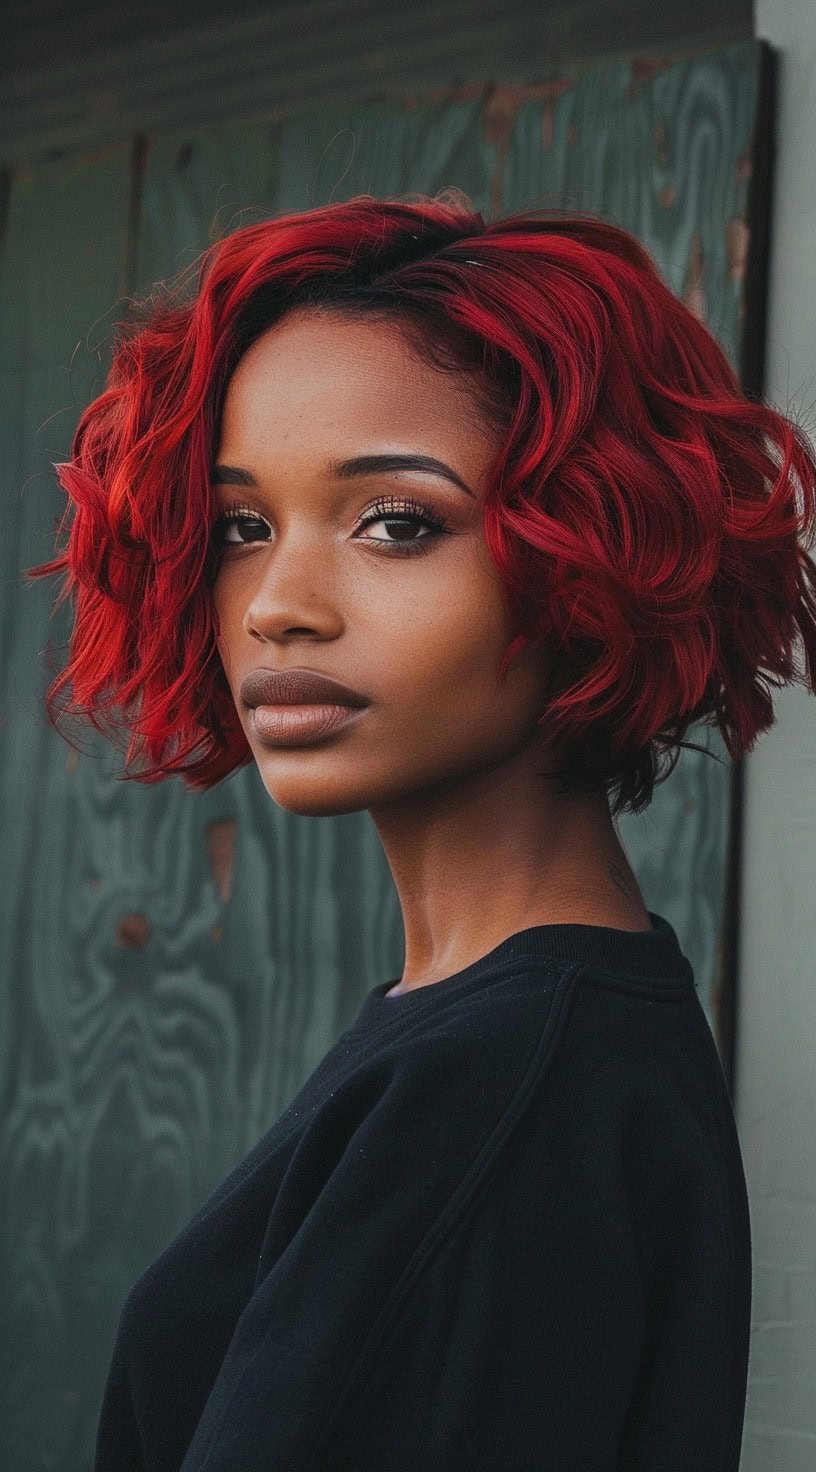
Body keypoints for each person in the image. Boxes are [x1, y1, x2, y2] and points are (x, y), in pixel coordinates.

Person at [28, 190, 816, 1470]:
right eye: (243, 526)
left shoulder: (502, 1086)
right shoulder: (532, 1033)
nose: (278, 603)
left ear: (594, 543)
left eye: (397, 521)